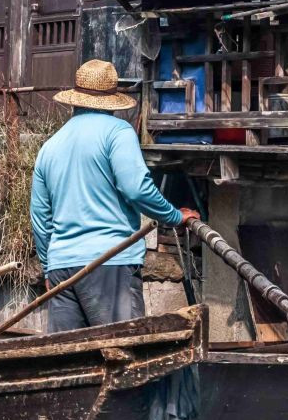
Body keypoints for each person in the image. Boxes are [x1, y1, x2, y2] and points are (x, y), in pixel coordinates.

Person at [31, 59, 199, 333]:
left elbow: (40, 218)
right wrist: (174, 216)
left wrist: (50, 266)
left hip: (62, 268)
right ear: (111, 101)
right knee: (124, 354)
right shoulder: (117, 133)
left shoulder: (49, 146)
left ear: (76, 101)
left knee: (69, 362)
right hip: (109, 261)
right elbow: (136, 188)